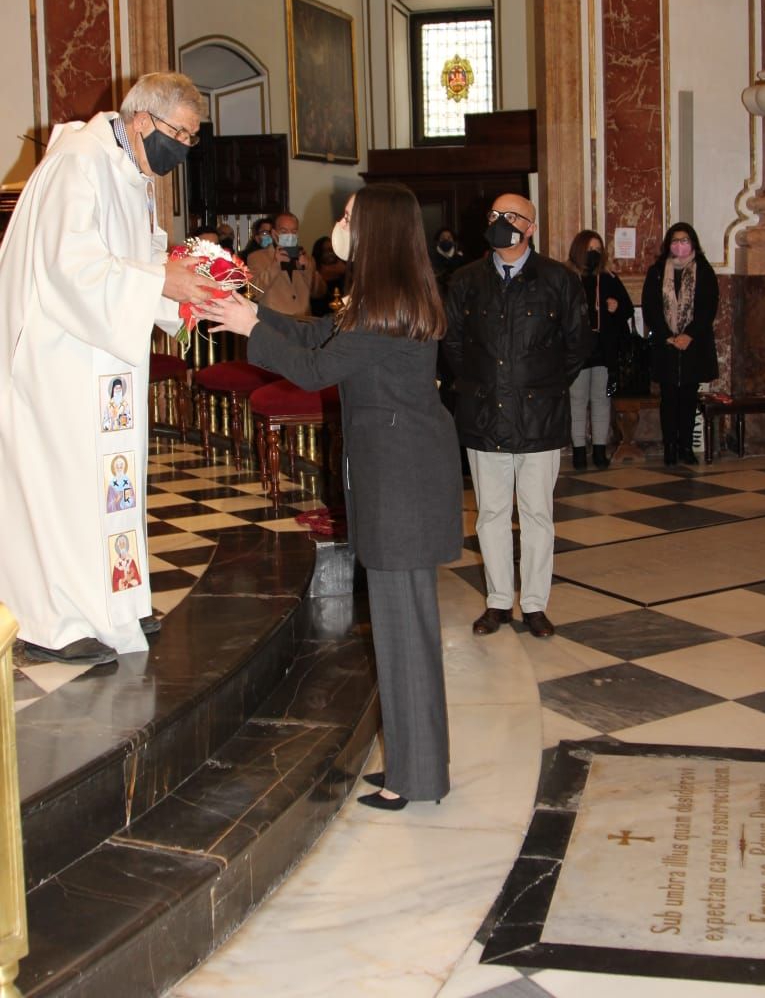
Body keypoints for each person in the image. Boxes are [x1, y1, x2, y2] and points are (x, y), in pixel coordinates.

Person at [200, 184, 463, 811]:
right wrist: (254, 312)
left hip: (401, 482)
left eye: (348, 217)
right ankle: (415, 763)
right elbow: (319, 335)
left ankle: (417, 776)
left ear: (377, 229)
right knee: (404, 631)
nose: (339, 223)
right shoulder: (387, 298)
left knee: (404, 632)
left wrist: (245, 326)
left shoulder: (385, 305)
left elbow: (316, 369)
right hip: (401, 474)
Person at [0, 71, 216, 664]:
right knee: (66, 488)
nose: (186, 149)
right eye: (183, 135)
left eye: (194, 138)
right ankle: (55, 619)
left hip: (102, 360)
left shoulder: (133, 172)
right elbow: (68, 266)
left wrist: (180, 298)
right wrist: (157, 282)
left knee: (111, 484)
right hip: (58, 363)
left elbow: (142, 255)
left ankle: (115, 603)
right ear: (143, 120)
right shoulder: (77, 162)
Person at [443, 194, 590, 640]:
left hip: (538, 416)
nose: (498, 223)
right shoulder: (466, 281)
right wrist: (481, 386)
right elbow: (452, 346)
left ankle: (535, 605)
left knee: (537, 514)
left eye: (509, 217)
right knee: (489, 512)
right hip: (484, 413)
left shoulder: (558, 280)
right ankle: (498, 602)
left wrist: (538, 386)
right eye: (492, 216)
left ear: (530, 228)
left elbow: (577, 345)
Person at [641, 221, 719, 466]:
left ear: (692, 243)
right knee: (669, 398)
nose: (680, 245)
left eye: (684, 240)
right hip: (666, 346)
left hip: (693, 346)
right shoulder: (656, 272)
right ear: (668, 245)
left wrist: (688, 335)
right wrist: (667, 335)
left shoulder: (704, 271)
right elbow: (651, 307)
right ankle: (670, 447)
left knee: (688, 398)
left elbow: (708, 308)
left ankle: (686, 446)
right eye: (675, 241)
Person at [567, 229, 634, 470]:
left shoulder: (608, 278)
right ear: (579, 250)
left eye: (598, 249)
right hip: (577, 351)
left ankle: (599, 450)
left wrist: (616, 307)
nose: (594, 253)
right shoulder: (567, 278)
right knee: (577, 400)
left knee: (601, 400)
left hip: (603, 351)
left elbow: (626, 309)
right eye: (589, 249)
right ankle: (578, 451)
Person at [246, 209, 325, 317]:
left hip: (303, 324)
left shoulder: (307, 258)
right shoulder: (257, 257)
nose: (290, 235)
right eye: (284, 231)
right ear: (274, 233)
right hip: (274, 325)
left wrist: (307, 270)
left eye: (294, 231)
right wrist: (275, 266)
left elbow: (319, 293)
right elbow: (253, 293)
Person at [310, 233, 347, 316]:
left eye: (333, 250)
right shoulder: (315, 272)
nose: (331, 254)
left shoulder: (343, 269)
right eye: (327, 250)